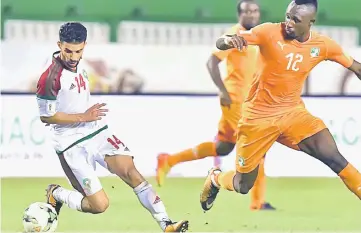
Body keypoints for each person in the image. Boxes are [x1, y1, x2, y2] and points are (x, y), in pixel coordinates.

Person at [200, 0, 361, 211]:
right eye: (287, 16)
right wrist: (229, 40)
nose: (288, 23)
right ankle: (216, 178)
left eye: (296, 19)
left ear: (311, 22)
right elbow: (223, 42)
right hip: (257, 118)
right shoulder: (268, 32)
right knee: (242, 184)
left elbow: (356, 67)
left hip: (293, 114)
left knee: (334, 158)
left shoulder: (323, 45)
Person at [36, 22, 189, 232]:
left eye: (78, 51)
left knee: (131, 172)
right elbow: (47, 117)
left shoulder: (83, 63)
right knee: (99, 205)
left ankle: (166, 224)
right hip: (70, 143)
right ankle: (56, 193)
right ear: (59, 45)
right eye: (68, 51)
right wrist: (84, 115)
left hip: (95, 131)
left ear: (85, 46)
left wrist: (89, 118)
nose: (73, 57)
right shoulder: (50, 77)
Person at [156, 0, 275, 210]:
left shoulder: (255, 38)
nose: (252, 14)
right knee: (257, 145)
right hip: (236, 101)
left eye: (255, 11)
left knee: (223, 146)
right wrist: (223, 90)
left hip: (249, 101)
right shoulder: (233, 35)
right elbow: (211, 62)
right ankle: (257, 202)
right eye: (248, 11)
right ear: (240, 14)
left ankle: (169, 160)